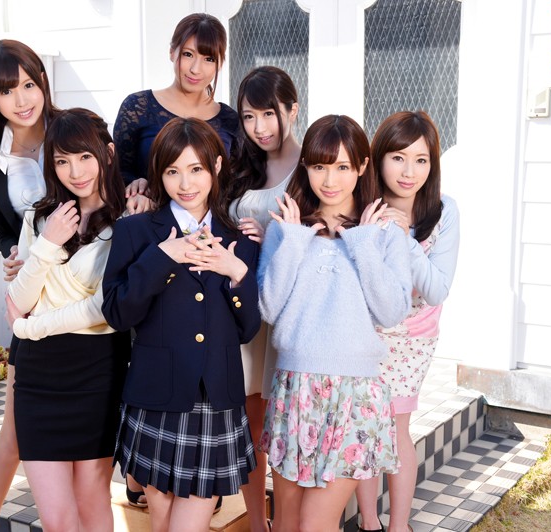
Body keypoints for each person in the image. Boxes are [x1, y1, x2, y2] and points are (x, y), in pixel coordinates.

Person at [102, 117, 261, 532]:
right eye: (172, 171)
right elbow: (117, 313)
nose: (185, 183)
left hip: (215, 397)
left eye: (196, 169)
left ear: (217, 167)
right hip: (155, 393)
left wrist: (237, 273)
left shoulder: (240, 240)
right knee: (161, 514)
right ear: (159, 173)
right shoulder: (135, 231)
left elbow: (248, 329)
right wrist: (163, 257)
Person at [257, 114, 413, 532]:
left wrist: (362, 243)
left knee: (315, 523)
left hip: (355, 392)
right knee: (287, 523)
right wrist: (293, 240)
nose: (330, 180)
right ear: (305, 167)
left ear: (362, 166)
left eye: (343, 166)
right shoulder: (287, 229)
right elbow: (268, 308)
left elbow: (391, 312)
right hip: (295, 389)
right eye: (319, 166)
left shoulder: (383, 232)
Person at [5, 108, 129, 531]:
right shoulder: (39, 219)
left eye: (85, 157)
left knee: (93, 502)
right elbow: (18, 299)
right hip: (38, 378)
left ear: (107, 154)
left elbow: (104, 309)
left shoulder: (129, 222)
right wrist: (46, 244)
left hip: (98, 371)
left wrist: (31, 326)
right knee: (56, 519)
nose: (75, 172)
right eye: (62, 160)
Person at [355, 111, 460, 532]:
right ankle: (369, 523)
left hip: (413, 338)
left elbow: (436, 290)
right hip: (365, 334)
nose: (409, 172)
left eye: (421, 160)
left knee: (396, 427)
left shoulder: (444, 211)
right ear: (379, 158)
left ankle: (399, 526)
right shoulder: (362, 206)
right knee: (363, 426)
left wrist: (405, 238)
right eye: (398, 158)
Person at [0, 39, 59, 532]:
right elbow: (3, 226)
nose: (22, 99)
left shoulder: (73, 129)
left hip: (87, 297)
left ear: (42, 81)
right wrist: (11, 254)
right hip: (32, 302)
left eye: (28, 84)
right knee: (14, 432)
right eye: (6, 91)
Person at [226, 65, 301, 532]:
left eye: (269, 114)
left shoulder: (311, 165)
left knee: (285, 430)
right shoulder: (241, 164)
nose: (260, 127)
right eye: (249, 116)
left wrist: (269, 234)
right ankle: (257, 523)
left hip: (286, 313)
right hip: (243, 310)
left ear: (292, 110)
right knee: (250, 426)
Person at [113, 12, 238, 217]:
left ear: (220, 64)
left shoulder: (230, 120)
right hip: (147, 223)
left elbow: (235, 185)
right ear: (172, 52)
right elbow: (115, 172)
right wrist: (136, 185)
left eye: (208, 59)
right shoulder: (137, 107)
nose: (196, 69)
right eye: (188, 54)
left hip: (209, 228)